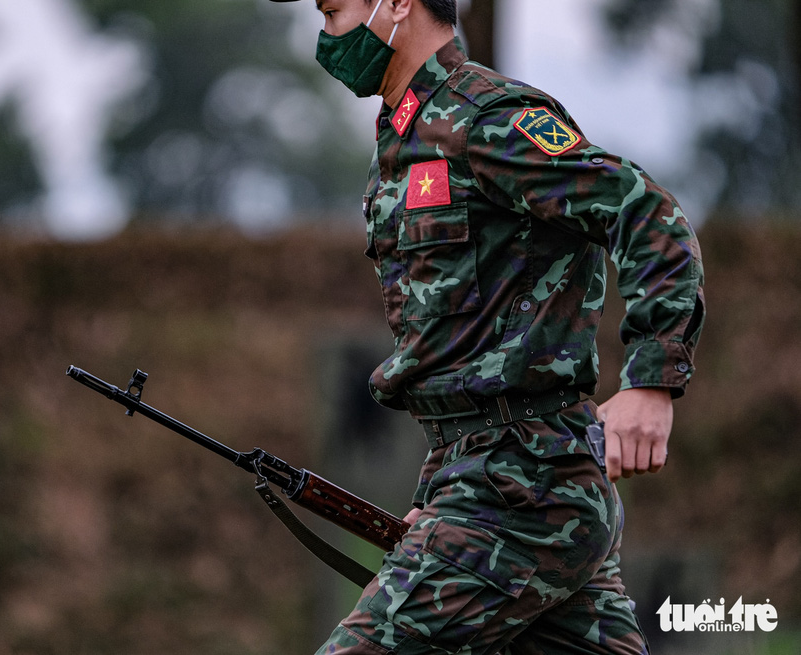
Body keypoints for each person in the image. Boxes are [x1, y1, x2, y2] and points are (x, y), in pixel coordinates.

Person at [270, 1, 705, 653]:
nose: (324, 29)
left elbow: (646, 215)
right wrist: (437, 490)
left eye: (334, 10)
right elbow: (455, 355)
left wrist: (652, 380)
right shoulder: (403, 136)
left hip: (522, 493)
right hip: (494, 482)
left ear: (396, 4)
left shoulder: (487, 119)